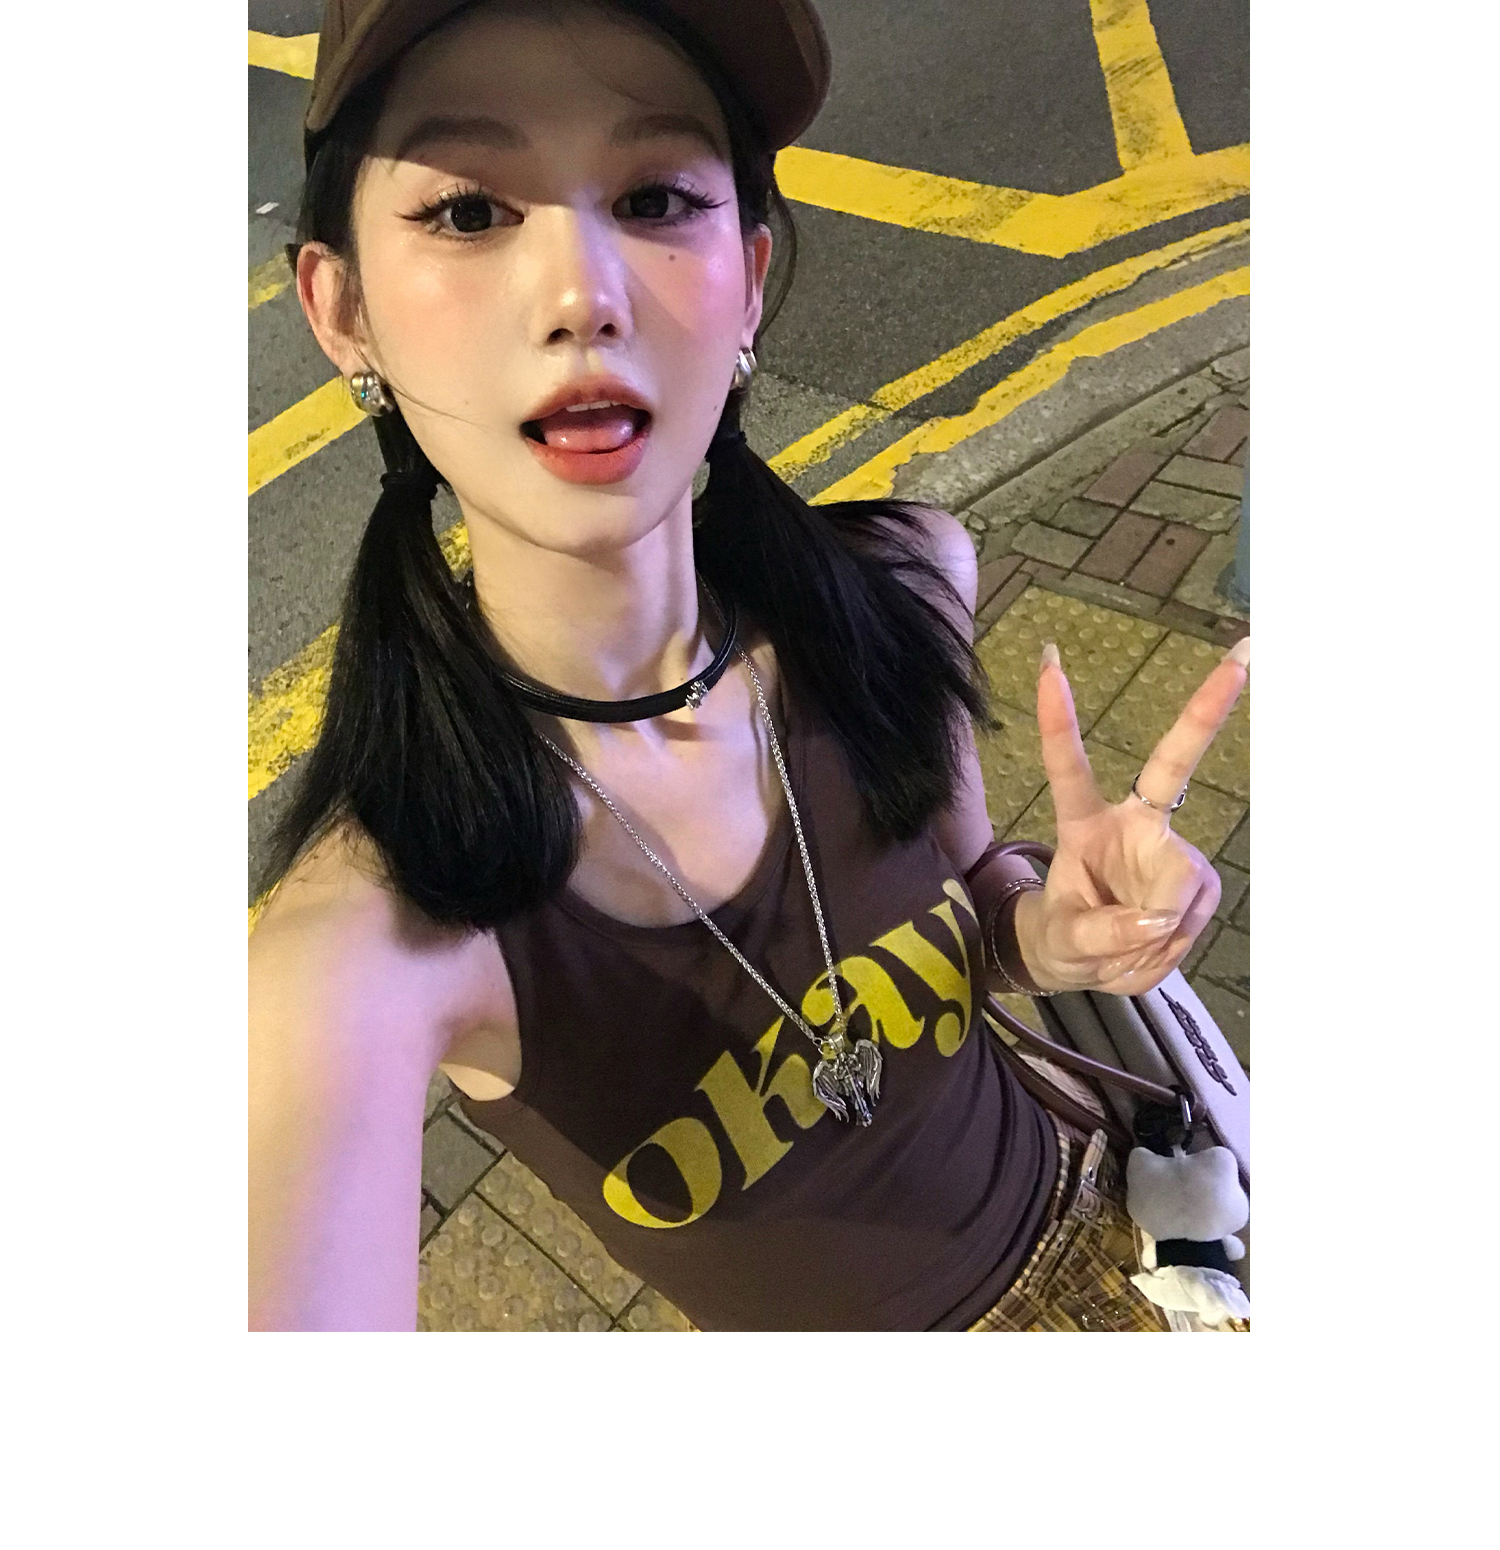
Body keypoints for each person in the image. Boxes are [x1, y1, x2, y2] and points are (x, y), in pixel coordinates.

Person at [249, 0, 1249, 1333]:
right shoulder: (371, 938)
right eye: (469, 211)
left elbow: (975, 902)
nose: (582, 296)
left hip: (1158, 1248)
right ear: (343, 311)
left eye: (656, 198)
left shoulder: (900, 580)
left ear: (750, 278)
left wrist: (1059, 933)